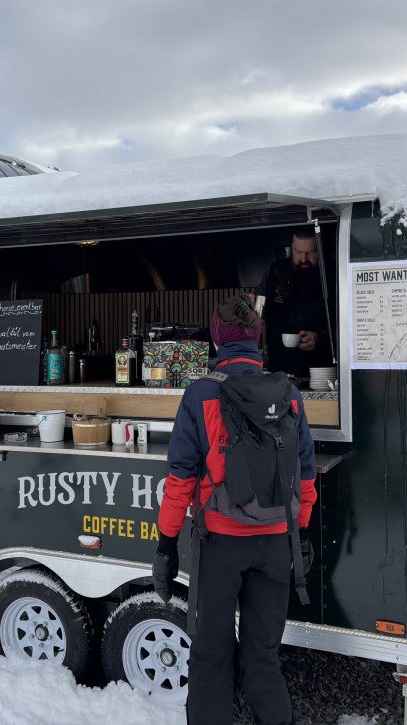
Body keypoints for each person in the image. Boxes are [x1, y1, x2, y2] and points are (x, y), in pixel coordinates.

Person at [152, 293, 317, 725]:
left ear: (216, 340)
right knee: (263, 657)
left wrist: (166, 544)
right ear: (257, 340)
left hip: (220, 545)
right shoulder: (290, 395)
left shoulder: (200, 395)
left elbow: (181, 481)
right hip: (276, 546)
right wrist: (299, 533)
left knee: (211, 656)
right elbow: (305, 477)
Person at [257, 225, 335, 377]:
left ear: (320, 249)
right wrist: (253, 305)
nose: (303, 259)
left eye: (311, 252)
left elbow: (353, 327)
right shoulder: (275, 272)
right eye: (298, 252)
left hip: (322, 372)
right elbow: (257, 313)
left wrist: (322, 338)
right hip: (279, 371)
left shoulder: (334, 273)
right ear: (291, 248)